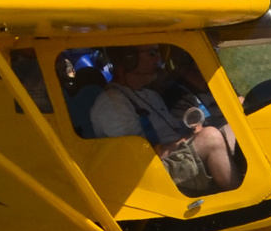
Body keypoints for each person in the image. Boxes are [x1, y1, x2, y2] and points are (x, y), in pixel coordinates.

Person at [89, 44, 238, 195]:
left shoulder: (151, 95)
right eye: (152, 53)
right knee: (210, 137)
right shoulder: (112, 103)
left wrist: (192, 132)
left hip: (172, 159)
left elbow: (173, 132)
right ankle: (243, 201)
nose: (159, 59)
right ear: (129, 59)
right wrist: (191, 138)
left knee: (235, 128)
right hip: (150, 175)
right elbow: (135, 159)